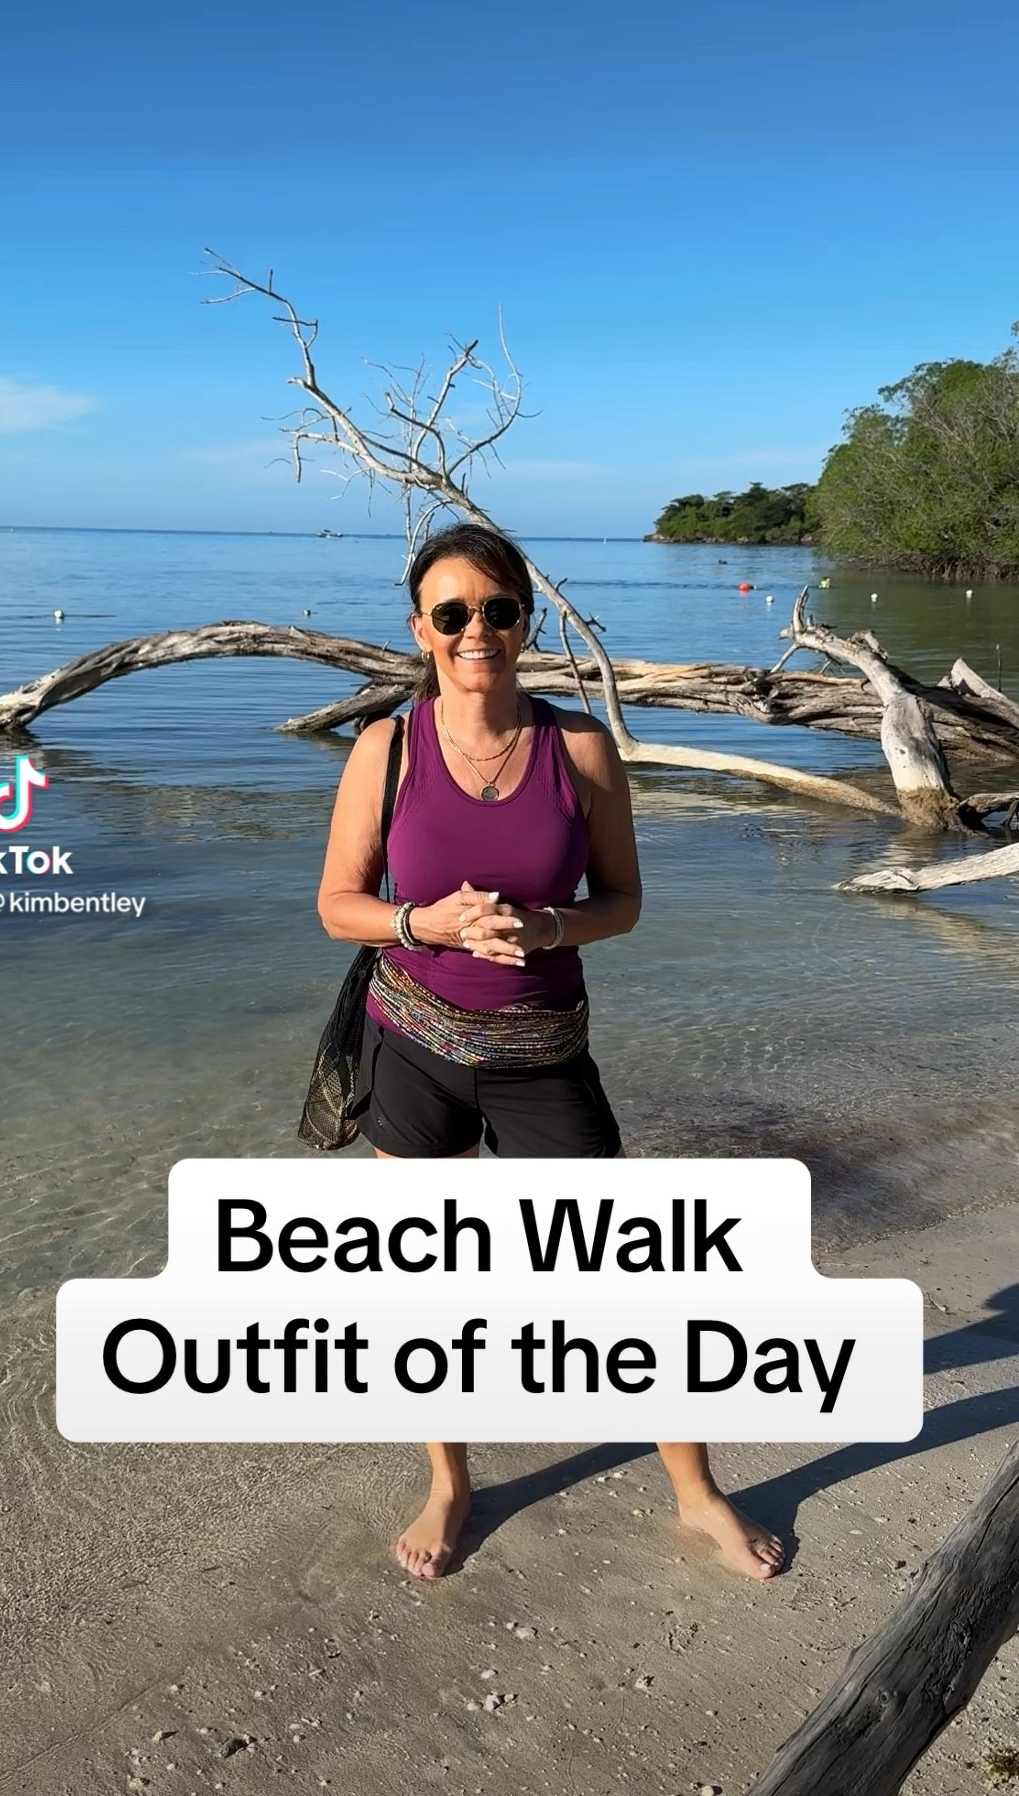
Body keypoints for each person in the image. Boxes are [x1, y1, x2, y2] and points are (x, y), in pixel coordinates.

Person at [317, 523, 784, 1584]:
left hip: (543, 1053)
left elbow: (623, 901)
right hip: (414, 1046)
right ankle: (449, 1481)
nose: (475, 630)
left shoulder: (578, 749)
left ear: (526, 621)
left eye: (497, 609)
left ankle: (696, 1491)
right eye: (452, 613)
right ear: (421, 630)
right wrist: (421, 923)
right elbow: (338, 905)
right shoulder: (386, 748)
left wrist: (546, 929)